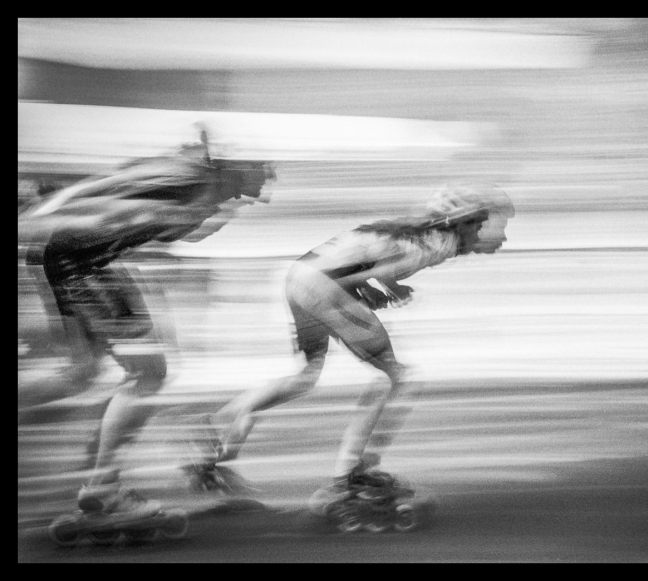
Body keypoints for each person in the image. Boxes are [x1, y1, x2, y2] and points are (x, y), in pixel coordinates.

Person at [190, 182, 514, 499]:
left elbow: (365, 264)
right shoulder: (433, 245)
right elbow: (358, 275)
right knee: (396, 378)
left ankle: (217, 428)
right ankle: (350, 476)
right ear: (459, 223)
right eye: (480, 225)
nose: (487, 232)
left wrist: (380, 290)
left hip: (300, 276)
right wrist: (377, 292)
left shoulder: (409, 232)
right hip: (323, 286)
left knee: (304, 378)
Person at [18, 128, 276, 519]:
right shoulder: (187, 177)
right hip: (81, 262)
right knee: (149, 374)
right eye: (260, 174)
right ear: (234, 168)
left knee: (81, 373)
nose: (263, 187)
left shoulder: (201, 186)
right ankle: (104, 490)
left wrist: (219, 210)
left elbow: (180, 234)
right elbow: (109, 192)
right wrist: (46, 210)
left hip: (83, 259)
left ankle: (103, 479)